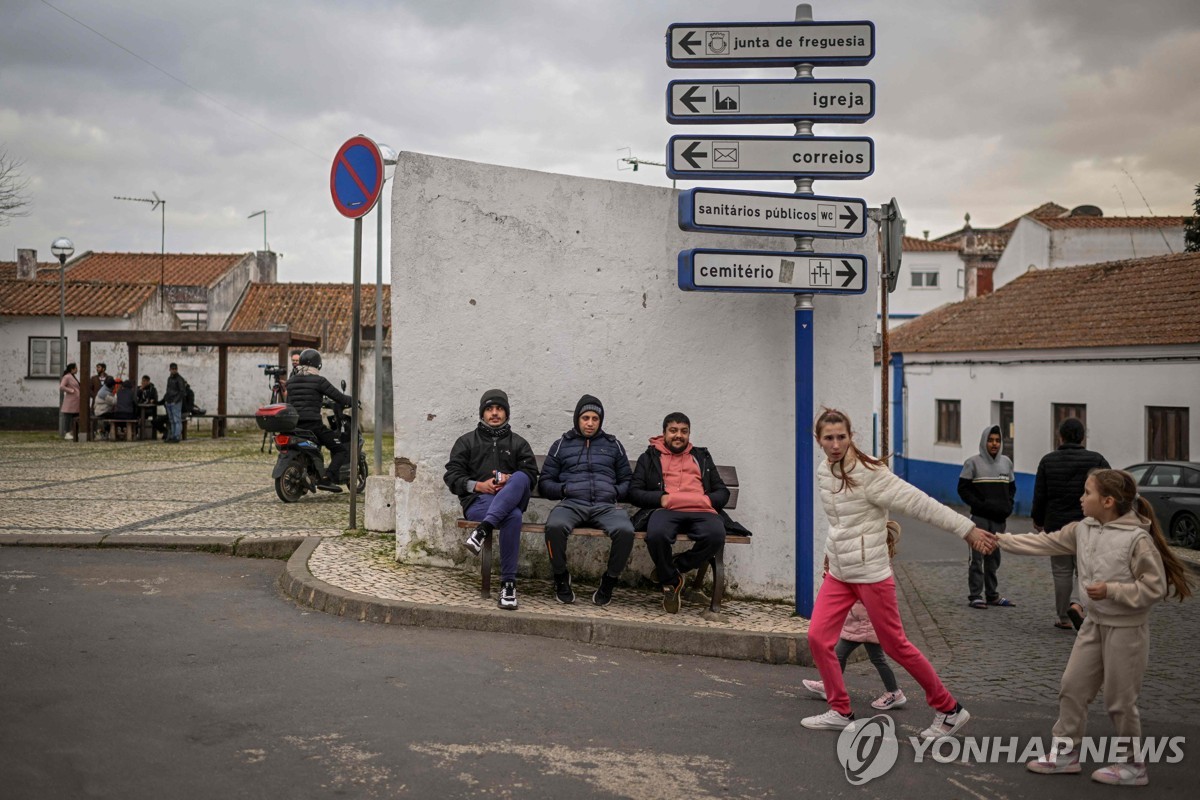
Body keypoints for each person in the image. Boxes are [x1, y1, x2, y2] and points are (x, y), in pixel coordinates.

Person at [802, 408, 996, 736]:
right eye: (828, 438)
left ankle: (949, 709)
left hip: (872, 574)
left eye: (841, 437)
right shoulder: (825, 471)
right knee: (818, 638)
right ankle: (840, 710)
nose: (835, 444)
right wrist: (828, 553)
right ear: (819, 440)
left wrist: (967, 529)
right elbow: (839, 522)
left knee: (895, 645)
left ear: (850, 437)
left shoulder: (869, 473)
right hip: (840, 572)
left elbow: (919, 503)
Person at [997, 469, 1192, 786]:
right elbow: (1045, 541)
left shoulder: (1137, 539)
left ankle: (1132, 765)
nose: (1081, 498)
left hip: (1127, 630)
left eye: (1087, 492)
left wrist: (1114, 590)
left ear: (1108, 500)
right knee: (1072, 687)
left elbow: (1154, 589)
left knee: (1119, 701)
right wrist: (1000, 540)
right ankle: (1065, 754)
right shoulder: (1082, 529)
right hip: (1093, 625)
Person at [444, 389, 539, 610]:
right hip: (479, 503)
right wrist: (479, 485)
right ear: (482, 413)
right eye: (489, 409)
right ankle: (508, 584)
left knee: (521, 476)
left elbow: (532, 476)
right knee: (513, 516)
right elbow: (452, 476)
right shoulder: (466, 442)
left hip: (510, 500)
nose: (494, 413)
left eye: (499, 409)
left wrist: (510, 481)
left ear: (506, 413)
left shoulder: (519, 444)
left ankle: (482, 531)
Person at [628, 412, 729, 614]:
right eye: (673, 430)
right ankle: (671, 582)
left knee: (716, 535)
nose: (678, 435)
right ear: (664, 433)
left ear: (689, 434)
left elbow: (722, 491)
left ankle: (673, 568)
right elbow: (634, 491)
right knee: (656, 535)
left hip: (701, 510)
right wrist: (661, 499)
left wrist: (708, 500)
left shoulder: (701, 457)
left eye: (684, 431)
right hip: (666, 509)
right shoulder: (649, 457)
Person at [539, 395, 634, 606]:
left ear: (600, 421)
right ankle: (561, 577)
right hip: (572, 504)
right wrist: (565, 488)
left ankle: (609, 580)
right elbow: (545, 482)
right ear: (577, 419)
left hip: (605, 506)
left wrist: (614, 492)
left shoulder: (613, 445)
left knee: (626, 531)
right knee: (554, 526)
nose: (590, 423)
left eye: (595, 418)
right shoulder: (562, 444)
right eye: (585, 418)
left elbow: (627, 479)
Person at [803, 522, 907, 711]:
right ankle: (830, 686)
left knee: (873, 658)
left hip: (867, 623)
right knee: (841, 655)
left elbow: (860, 590)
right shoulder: (872, 562)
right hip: (860, 621)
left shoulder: (876, 567)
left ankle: (894, 692)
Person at [1033, 418, 1110, 630]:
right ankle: (1077, 604)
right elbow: (1111, 488)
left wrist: (1038, 520)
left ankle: (1063, 617)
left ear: (1061, 436)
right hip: (1089, 524)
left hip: (1057, 524)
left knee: (1061, 571)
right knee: (1085, 569)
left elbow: (1040, 495)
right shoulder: (1097, 460)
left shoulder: (1047, 461)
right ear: (1083, 437)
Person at [958, 425, 1017, 609]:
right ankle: (975, 595)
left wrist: (1007, 507)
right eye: (991, 440)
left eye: (997, 440)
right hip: (980, 519)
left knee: (994, 557)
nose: (994, 444)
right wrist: (979, 505)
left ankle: (992, 594)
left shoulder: (1006, 463)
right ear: (984, 441)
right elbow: (963, 489)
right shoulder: (972, 463)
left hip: (999, 520)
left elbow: (1012, 489)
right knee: (977, 557)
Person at [285, 348, 352, 492]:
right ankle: (327, 479)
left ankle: (312, 472)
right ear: (317, 364)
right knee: (340, 450)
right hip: (313, 426)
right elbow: (339, 397)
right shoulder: (319, 381)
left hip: (294, 426)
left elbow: (289, 402)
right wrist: (353, 401)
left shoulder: (290, 382)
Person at [161, 363, 188, 443]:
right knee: (172, 420)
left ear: (177, 369)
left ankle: (176, 436)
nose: (173, 370)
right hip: (169, 401)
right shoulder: (169, 379)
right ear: (170, 369)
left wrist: (175, 401)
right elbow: (168, 390)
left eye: (175, 369)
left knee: (176, 420)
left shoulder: (179, 379)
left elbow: (182, 392)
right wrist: (166, 400)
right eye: (172, 369)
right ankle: (172, 436)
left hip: (175, 402)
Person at [59, 363, 80, 440]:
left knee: (75, 417)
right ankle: (67, 433)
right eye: (76, 368)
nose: (77, 369)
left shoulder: (73, 377)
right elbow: (62, 386)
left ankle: (74, 432)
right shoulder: (67, 377)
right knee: (68, 418)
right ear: (72, 369)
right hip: (70, 401)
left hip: (75, 402)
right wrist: (71, 390)